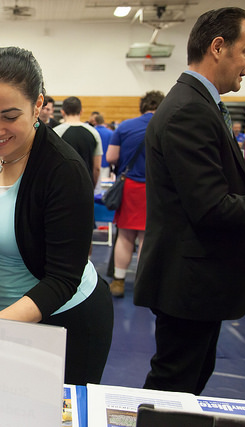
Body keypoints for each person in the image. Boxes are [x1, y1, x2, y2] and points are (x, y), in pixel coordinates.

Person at [0, 46, 113, 386]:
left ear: (37, 106)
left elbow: (63, 278)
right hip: (8, 316)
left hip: (66, 319)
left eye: (10, 116)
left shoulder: (63, 170)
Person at [134, 7, 245, 395]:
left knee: (189, 382)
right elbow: (212, 206)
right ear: (219, 47)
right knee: (173, 387)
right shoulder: (189, 110)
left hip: (199, 280)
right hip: (190, 282)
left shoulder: (201, 104)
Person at [105, 90, 164, 297]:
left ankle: (119, 282)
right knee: (147, 238)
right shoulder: (168, 124)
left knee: (125, 235)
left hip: (130, 185)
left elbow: (111, 157)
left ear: (142, 107)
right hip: (156, 189)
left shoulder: (126, 126)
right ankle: (143, 284)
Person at [54, 97, 103, 188]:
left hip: (61, 186)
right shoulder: (93, 132)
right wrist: (92, 186)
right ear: (81, 111)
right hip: (86, 185)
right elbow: (97, 167)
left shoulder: (55, 133)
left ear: (62, 112)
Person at [94, 113, 114, 183]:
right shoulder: (111, 133)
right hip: (106, 163)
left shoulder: (92, 132)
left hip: (94, 163)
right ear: (103, 121)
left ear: (95, 122)